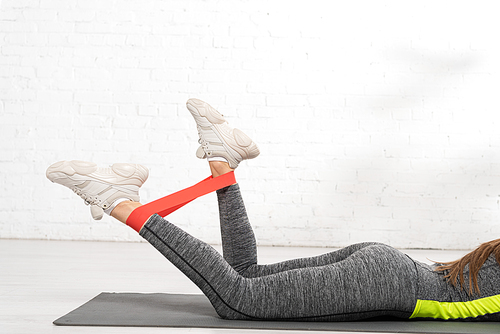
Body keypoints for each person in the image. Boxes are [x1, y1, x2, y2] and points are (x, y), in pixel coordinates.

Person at [46, 98, 500, 322]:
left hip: (393, 265)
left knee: (246, 272)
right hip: (392, 284)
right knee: (239, 302)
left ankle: (221, 158)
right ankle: (117, 201)